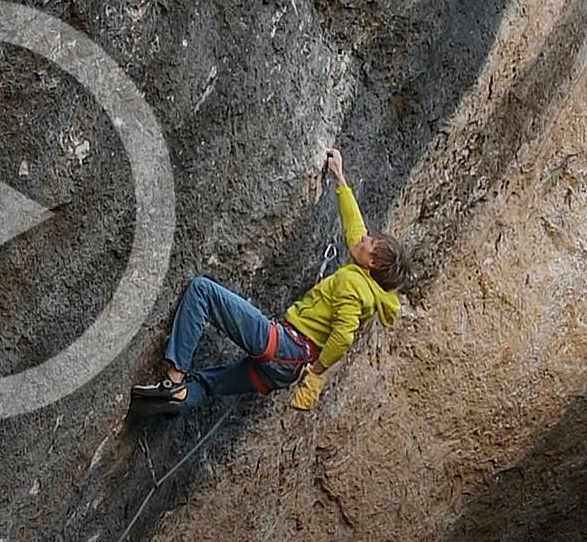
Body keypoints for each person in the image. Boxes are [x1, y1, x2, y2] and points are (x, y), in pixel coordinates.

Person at [132, 148, 406, 412]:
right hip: (285, 370)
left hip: (285, 349)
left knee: (202, 291)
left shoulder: (353, 284)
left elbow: (343, 336)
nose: (364, 237)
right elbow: (354, 231)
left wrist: (317, 373)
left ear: (373, 263)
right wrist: (339, 179)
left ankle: (173, 379)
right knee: (205, 384)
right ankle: (177, 401)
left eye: (370, 241)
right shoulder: (368, 285)